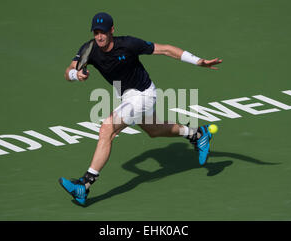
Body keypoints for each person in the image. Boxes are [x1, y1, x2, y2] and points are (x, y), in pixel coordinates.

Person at [60, 12, 222, 205]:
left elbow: (165, 50)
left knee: (107, 129)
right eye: (96, 32)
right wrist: (75, 75)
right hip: (126, 97)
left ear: (111, 30)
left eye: (102, 32)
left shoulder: (128, 44)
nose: (99, 36)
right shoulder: (90, 48)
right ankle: (197, 134)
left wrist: (198, 61)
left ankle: (84, 185)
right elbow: (68, 70)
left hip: (144, 94)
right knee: (153, 131)